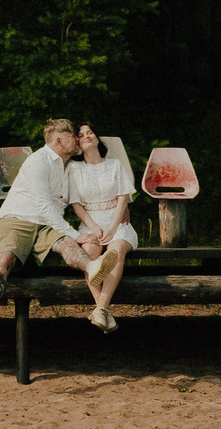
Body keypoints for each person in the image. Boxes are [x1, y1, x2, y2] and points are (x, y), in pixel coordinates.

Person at [0, 117, 103, 337]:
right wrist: (75, 233)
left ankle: (92, 268)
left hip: (46, 225)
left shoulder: (70, 166)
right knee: (5, 257)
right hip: (18, 219)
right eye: (71, 135)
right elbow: (43, 205)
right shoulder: (38, 161)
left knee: (67, 245)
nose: (76, 139)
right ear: (58, 140)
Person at [68, 124, 137, 331]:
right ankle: (102, 309)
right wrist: (94, 227)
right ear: (77, 144)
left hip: (117, 220)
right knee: (89, 252)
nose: (87, 136)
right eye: (81, 135)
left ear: (97, 139)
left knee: (116, 251)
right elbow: (76, 205)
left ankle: (100, 308)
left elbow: (123, 198)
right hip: (90, 221)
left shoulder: (115, 165)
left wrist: (112, 227)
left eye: (90, 132)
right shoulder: (74, 168)